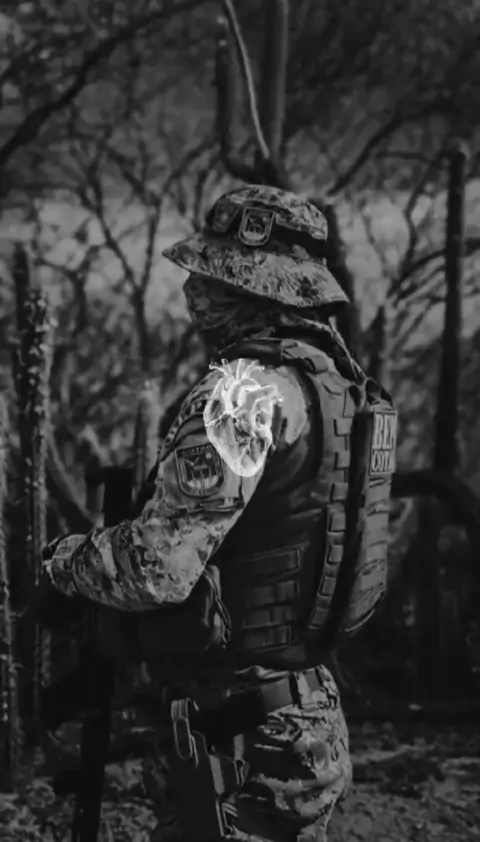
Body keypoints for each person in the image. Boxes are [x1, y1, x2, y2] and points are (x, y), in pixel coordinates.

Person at [43, 184, 397, 842]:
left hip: (239, 737)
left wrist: (61, 563)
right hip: (308, 710)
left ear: (249, 287)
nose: (192, 291)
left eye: (209, 276)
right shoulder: (344, 391)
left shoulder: (243, 395)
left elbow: (157, 568)